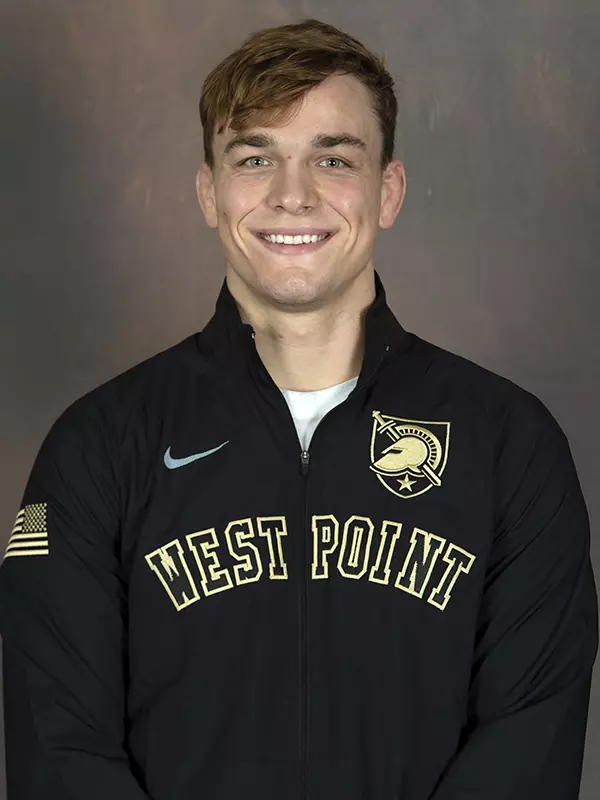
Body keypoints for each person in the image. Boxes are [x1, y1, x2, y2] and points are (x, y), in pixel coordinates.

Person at [0, 16, 597, 800]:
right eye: (256, 157)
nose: (293, 195)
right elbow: (59, 748)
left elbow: (528, 743)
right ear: (210, 192)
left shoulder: (512, 446)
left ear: (388, 191)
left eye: (333, 157)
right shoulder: (96, 447)